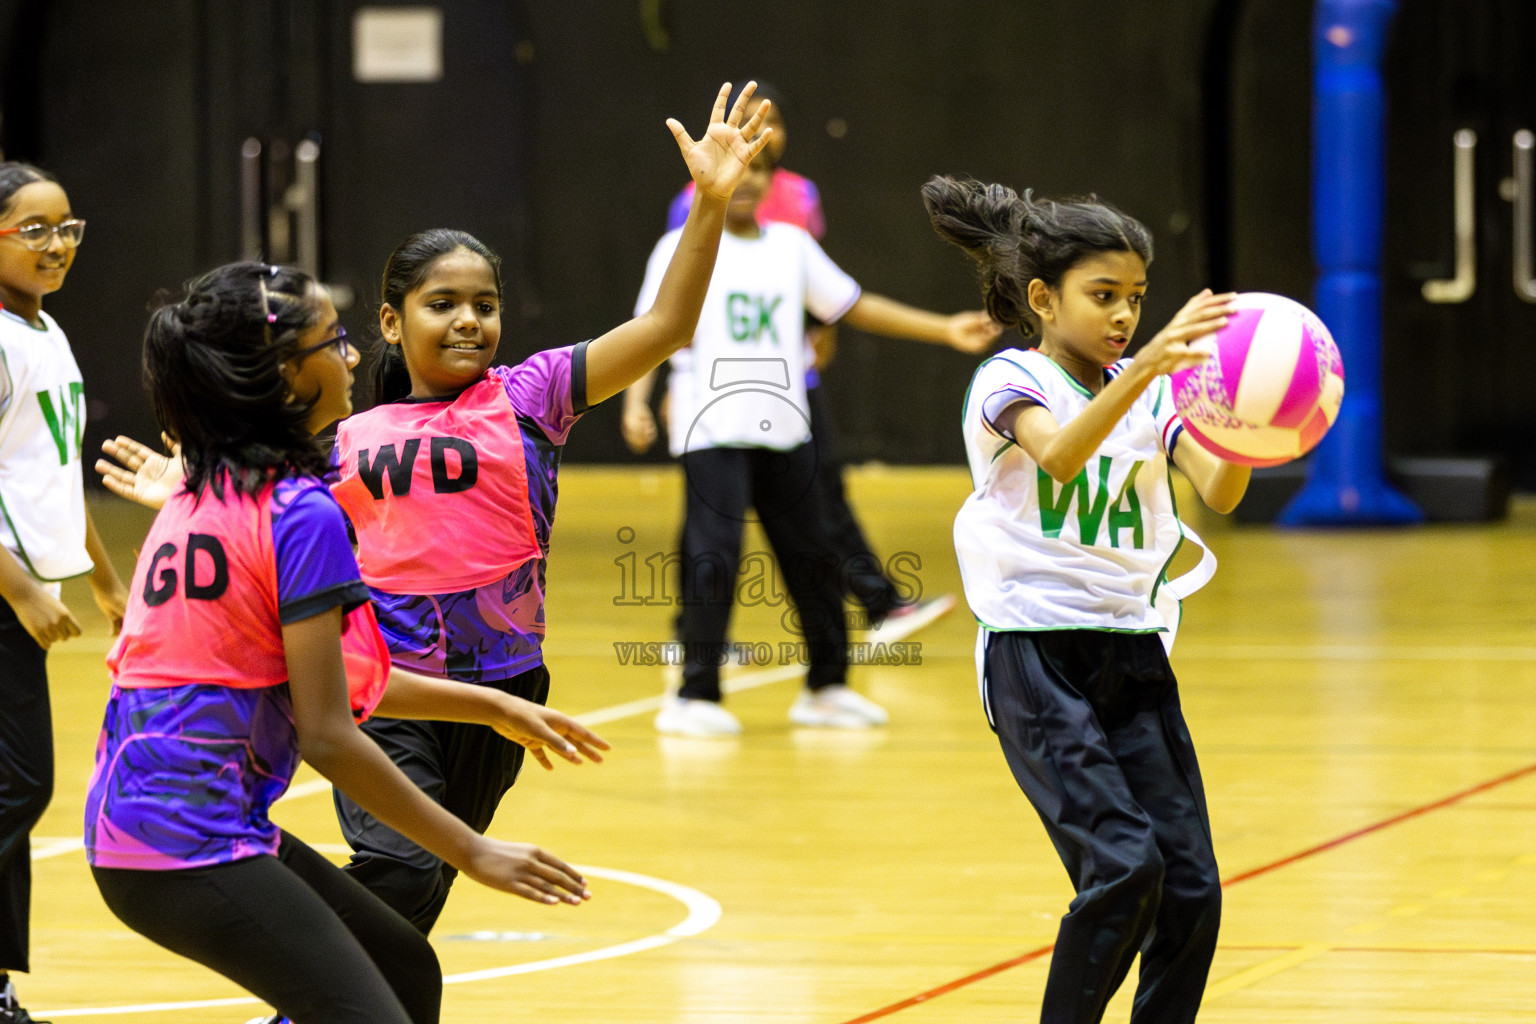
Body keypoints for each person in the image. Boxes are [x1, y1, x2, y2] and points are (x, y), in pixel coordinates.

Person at [83, 263, 598, 1024]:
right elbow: (327, 733)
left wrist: (490, 706)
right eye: (336, 342)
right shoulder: (297, 514)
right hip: (182, 840)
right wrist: (474, 851)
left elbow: (343, 677)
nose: (354, 358)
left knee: (403, 968)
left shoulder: (206, 493)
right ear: (290, 375)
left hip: (157, 821)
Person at [318, 82, 775, 933]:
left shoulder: (532, 394)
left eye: (484, 306)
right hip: (395, 688)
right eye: (442, 304)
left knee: (418, 898)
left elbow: (669, 325)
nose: (468, 321)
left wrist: (709, 203)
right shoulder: (347, 434)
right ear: (390, 320)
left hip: (507, 687)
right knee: (402, 865)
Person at [924, 175, 1248, 1024]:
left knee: (1192, 890)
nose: (1123, 317)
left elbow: (1219, 489)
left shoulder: (1153, 391)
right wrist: (1144, 371)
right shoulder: (1010, 378)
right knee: (1124, 868)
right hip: (1036, 657)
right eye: (1103, 296)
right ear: (1043, 297)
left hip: (1132, 653)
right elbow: (1062, 455)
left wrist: (1252, 418)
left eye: (1136, 299)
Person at [622, 146, 1000, 737]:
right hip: (709, 424)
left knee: (816, 557)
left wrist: (944, 329)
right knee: (713, 555)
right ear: (705, 178)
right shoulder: (681, 249)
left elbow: (853, 305)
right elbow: (651, 329)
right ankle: (695, 695)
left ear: (773, 180)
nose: (746, 180)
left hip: (786, 424)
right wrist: (635, 398)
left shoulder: (791, 248)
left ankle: (826, 689)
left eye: (758, 169)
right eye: (735, 167)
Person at [644, 81, 957, 638]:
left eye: (774, 122)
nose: (754, 162)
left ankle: (853, 634)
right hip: (714, 394)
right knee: (713, 523)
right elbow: (672, 308)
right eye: (750, 119)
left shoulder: (797, 204)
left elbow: (830, 295)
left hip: (791, 380)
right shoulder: (697, 201)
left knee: (813, 508)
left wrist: (826, 332)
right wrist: (663, 387)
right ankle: (694, 642)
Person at [0, 162, 128, 1024]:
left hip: (22, 589)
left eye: (67, 228)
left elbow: (52, 472)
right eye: (34, 230)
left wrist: (109, 577)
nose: (57, 246)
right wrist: (19, 591)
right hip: (1, 592)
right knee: (19, 786)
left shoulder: (44, 331)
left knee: (14, 786)